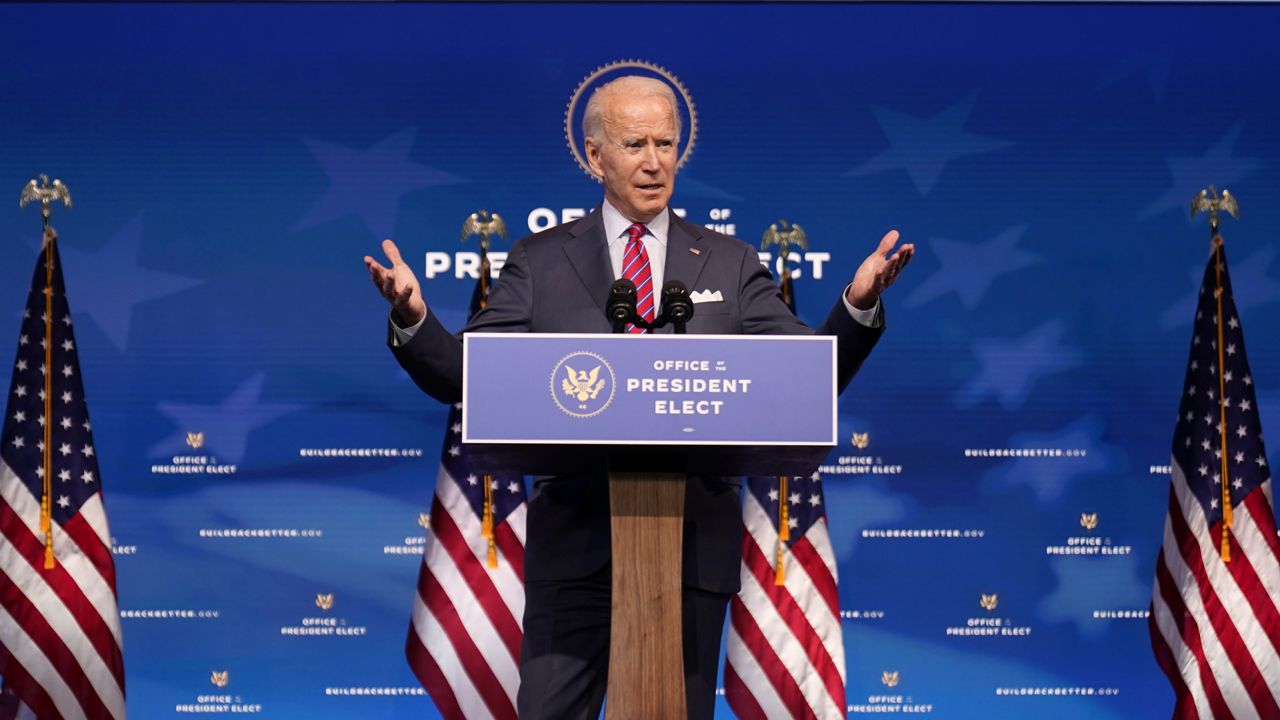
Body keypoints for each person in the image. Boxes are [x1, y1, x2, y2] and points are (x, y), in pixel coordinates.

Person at [365, 75, 913, 720]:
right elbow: (471, 374)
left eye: (666, 143)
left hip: (690, 554)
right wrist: (415, 319)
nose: (655, 162)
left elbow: (803, 378)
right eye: (634, 145)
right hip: (575, 552)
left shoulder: (730, 263)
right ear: (595, 156)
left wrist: (857, 305)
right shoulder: (539, 262)